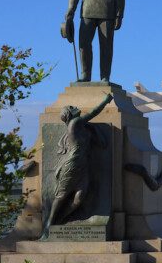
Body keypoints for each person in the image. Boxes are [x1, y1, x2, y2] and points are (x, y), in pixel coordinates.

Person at [40, 93, 114, 240]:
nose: (76, 107)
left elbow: (104, 143)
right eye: (72, 107)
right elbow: (93, 112)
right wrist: (106, 101)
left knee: (79, 198)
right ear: (69, 114)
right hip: (72, 165)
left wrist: (93, 129)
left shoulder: (83, 129)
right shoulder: (74, 123)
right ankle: (48, 226)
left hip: (83, 166)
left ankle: (58, 221)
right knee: (61, 196)